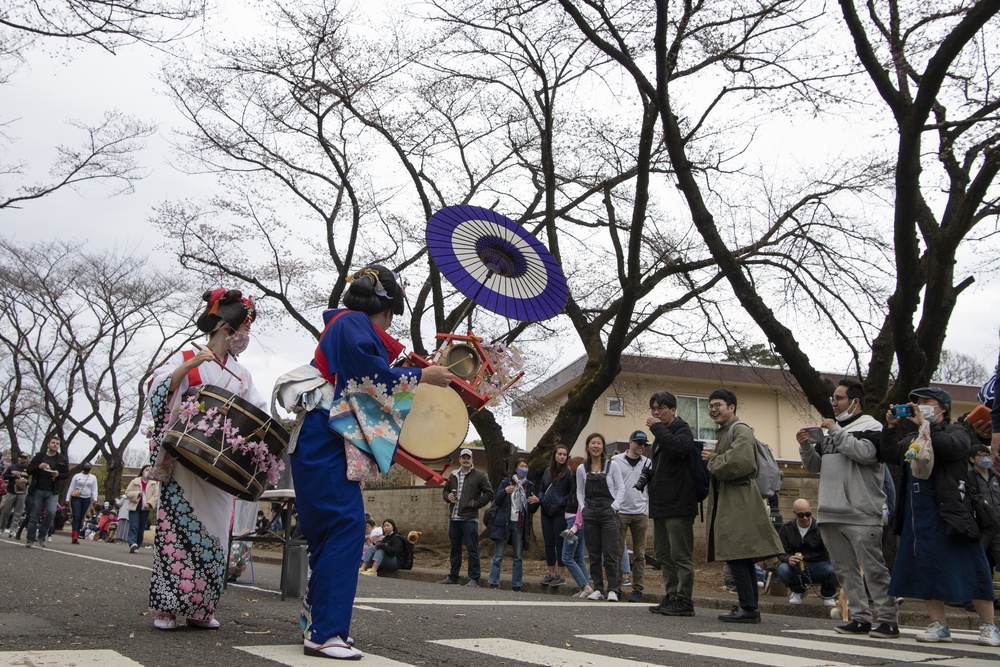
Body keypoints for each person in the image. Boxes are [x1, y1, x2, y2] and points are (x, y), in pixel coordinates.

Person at [283, 266, 453, 660]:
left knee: (331, 533)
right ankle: (325, 633)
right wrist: (421, 375)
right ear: (389, 310)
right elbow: (370, 378)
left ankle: (319, 625)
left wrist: (414, 371)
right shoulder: (352, 324)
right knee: (344, 527)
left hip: (321, 437)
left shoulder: (345, 324)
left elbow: (365, 381)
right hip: (325, 438)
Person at [145, 288, 267, 632]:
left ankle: (201, 606)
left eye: (246, 332)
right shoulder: (187, 355)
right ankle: (168, 608)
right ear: (224, 328)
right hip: (184, 457)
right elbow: (157, 390)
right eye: (240, 330)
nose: (243, 338)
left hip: (220, 462)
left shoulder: (242, 375)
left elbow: (255, 411)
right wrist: (188, 367)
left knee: (215, 533)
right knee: (176, 530)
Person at [880, 387, 1000, 647]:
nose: (920, 406)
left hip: (951, 511)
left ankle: (989, 626)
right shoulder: (914, 435)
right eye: (917, 402)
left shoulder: (958, 432)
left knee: (971, 564)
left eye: (926, 402)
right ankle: (939, 624)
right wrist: (890, 427)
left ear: (943, 408)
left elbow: (950, 449)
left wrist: (927, 426)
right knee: (925, 566)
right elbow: (890, 453)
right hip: (917, 511)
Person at [796, 378, 899, 638]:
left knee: (874, 568)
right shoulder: (834, 431)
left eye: (839, 398)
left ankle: (888, 619)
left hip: (862, 512)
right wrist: (806, 446)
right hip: (830, 511)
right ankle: (860, 617)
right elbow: (815, 466)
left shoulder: (872, 427)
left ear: (855, 401)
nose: (833, 402)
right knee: (845, 570)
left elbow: (865, 454)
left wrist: (837, 432)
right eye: (833, 398)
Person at [702, 389, 783, 624]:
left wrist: (713, 460)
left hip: (739, 499)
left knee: (738, 553)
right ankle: (749, 606)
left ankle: (748, 607)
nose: (713, 409)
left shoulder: (740, 429)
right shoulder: (728, 432)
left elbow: (742, 462)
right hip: (734, 498)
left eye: (718, 405)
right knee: (742, 555)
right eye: (710, 406)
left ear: (732, 407)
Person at [644, 391, 699, 617]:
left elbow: (678, 448)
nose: (656, 413)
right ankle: (672, 595)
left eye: (661, 408)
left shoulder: (683, 430)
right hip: (661, 505)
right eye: (653, 409)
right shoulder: (660, 437)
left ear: (673, 410)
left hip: (679, 504)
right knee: (664, 555)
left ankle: (685, 600)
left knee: (681, 555)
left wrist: (657, 428)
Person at [577, 432, 625, 601]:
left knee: (611, 552)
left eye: (599, 443)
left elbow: (621, 488)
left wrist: (614, 507)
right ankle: (598, 588)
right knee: (594, 554)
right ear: (588, 447)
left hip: (608, 513)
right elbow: (580, 491)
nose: (596, 446)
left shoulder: (612, 466)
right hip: (590, 513)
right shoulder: (581, 469)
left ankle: (613, 589)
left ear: (603, 447)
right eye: (593, 443)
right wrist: (583, 509)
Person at [440, 448, 494, 587]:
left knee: (472, 549)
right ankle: (453, 576)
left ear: (472, 460)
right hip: (454, 517)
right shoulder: (453, 475)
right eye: (463, 457)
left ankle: (474, 578)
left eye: (468, 458)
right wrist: (448, 497)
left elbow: (489, 494)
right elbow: (445, 491)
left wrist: (474, 504)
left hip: (469, 518)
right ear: (459, 459)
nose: (465, 460)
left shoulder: (480, 475)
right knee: (454, 548)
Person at [487, 459, 540, 591]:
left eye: (526, 466)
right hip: (504, 522)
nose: (524, 468)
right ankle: (493, 582)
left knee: (518, 556)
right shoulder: (506, 482)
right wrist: (504, 491)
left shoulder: (529, 485)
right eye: (522, 466)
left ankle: (516, 585)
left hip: (519, 524)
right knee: (498, 554)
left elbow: (531, 510)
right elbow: (497, 501)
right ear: (516, 469)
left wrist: (536, 502)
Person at [775, 499, 839, 606]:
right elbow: (780, 551)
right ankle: (798, 591)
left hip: (818, 563)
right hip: (796, 566)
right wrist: (788, 559)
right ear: (794, 513)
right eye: (801, 515)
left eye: (808, 514)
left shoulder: (820, 528)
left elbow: (830, 550)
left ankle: (827, 594)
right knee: (782, 570)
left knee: (834, 570)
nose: (805, 518)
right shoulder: (787, 528)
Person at [611, 430, 650, 603]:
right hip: (621, 512)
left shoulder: (648, 463)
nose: (641, 446)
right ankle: (616, 587)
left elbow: (650, 487)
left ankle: (637, 590)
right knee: (617, 552)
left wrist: (647, 508)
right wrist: (613, 506)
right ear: (630, 442)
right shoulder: (615, 461)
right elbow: (610, 484)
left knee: (639, 554)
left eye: (644, 444)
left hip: (640, 512)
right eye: (638, 443)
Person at [25, 434, 69, 548]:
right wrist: (38, 467)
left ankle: (42, 535)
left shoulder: (62, 459)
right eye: (53, 443)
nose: (55, 445)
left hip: (52, 491)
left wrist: (58, 474)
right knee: (34, 515)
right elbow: (29, 470)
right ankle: (30, 539)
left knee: (51, 513)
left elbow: (66, 474)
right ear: (48, 444)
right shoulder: (39, 456)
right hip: (38, 489)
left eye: (57, 444)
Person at [538, 444, 572, 587]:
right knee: (548, 543)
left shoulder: (568, 473)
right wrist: (541, 499)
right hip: (546, 511)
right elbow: (541, 488)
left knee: (560, 543)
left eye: (565, 454)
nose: (562, 457)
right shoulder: (547, 471)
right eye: (560, 454)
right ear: (554, 455)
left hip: (559, 513)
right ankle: (551, 573)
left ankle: (561, 574)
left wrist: (561, 502)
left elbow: (571, 492)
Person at [560, 456, 591, 597]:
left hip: (574, 522)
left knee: (567, 557)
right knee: (578, 556)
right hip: (576, 522)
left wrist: (575, 526)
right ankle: (586, 587)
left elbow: (580, 507)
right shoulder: (578, 484)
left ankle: (584, 586)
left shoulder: (580, 486)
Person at [968, 444, 1000, 573]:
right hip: (981, 528)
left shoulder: (996, 477)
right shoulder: (969, 478)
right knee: (979, 562)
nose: (986, 458)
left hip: (998, 527)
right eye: (981, 455)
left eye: (988, 455)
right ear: (972, 459)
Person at [125, 465, 159, 553]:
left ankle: (137, 545)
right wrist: (138, 493)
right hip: (135, 505)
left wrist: (149, 503)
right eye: (146, 469)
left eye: (150, 470)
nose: (148, 471)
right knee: (134, 525)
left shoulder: (153, 483)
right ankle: (132, 543)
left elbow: (155, 496)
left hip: (146, 507)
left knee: (141, 527)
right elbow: (127, 493)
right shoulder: (135, 481)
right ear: (142, 470)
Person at [65, 462, 99, 544]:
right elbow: (71, 487)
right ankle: (74, 535)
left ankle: (77, 532)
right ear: (83, 467)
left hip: (86, 498)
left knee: (81, 517)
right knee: (76, 515)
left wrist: (95, 498)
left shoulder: (93, 477)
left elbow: (94, 488)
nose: (87, 467)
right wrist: (67, 498)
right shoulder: (77, 476)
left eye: (89, 466)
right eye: (85, 466)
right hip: (76, 497)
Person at [1, 453, 30, 537]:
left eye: (25, 458)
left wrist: (26, 481)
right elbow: (4, 476)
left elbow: (31, 480)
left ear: (27, 460)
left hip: (22, 492)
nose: (23, 459)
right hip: (11, 491)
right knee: (5, 511)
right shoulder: (12, 467)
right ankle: (1, 528)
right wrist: (12, 475)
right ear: (19, 458)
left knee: (18, 513)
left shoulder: (28, 469)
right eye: (21, 458)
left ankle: (13, 530)